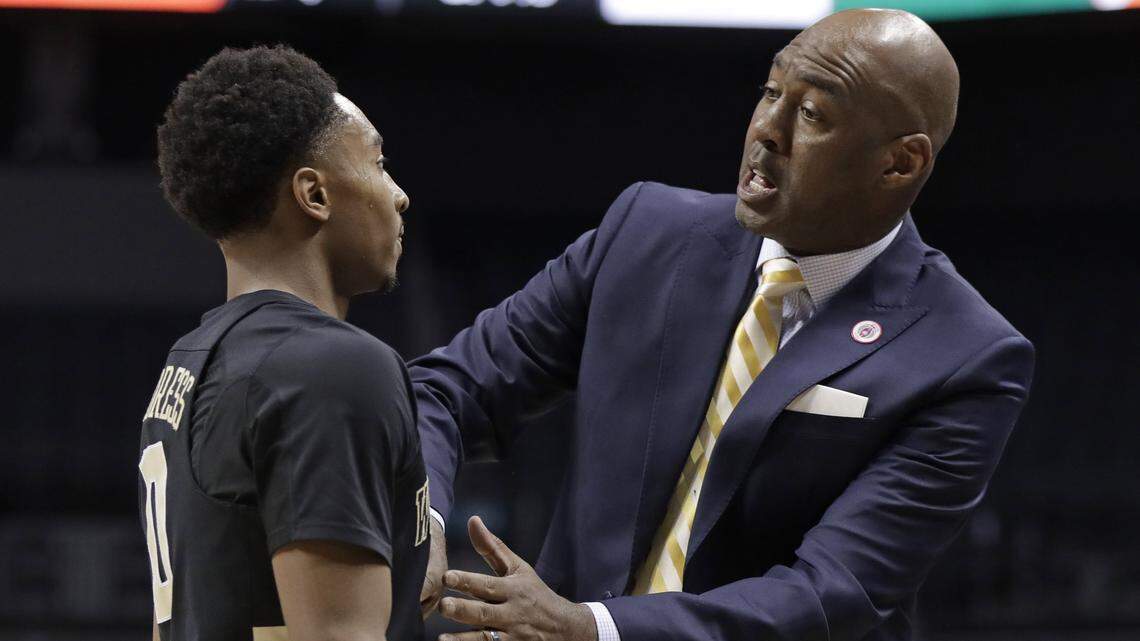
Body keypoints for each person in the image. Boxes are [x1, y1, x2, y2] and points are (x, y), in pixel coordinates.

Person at [412, 8, 1034, 641]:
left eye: (813, 114)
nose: (767, 129)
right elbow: (445, 389)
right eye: (771, 91)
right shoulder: (645, 230)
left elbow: (831, 594)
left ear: (900, 164)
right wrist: (421, 524)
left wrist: (591, 630)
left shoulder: (967, 355)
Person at [138, 46, 430, 641]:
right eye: (378, 164)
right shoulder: (334, 369)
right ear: (314, 195)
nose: (397, 194)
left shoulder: (190, 361)